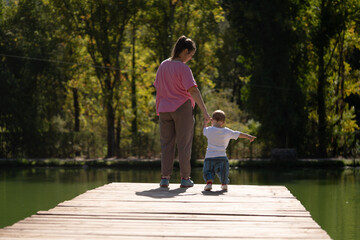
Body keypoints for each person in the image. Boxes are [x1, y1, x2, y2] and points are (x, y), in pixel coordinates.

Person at [154, 35, 211, 188]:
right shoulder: (183, 68)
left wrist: (159, 107)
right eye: (190, 55)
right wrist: (205, 112)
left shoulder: (163, 65)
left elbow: (158, 87)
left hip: (164, 109)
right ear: (185, 51)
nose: (190, 58)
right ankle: (185, 178)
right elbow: (193, 90)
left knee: (166, 144)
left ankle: (165, 178)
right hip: (181, 108)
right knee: (184, 144)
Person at [203, 110, 256, 191]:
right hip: (222, 157)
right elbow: (238, 134)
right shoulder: (226, 131)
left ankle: (209, 184)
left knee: (208, 171)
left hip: (209, 157)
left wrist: (206, 122)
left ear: (212, 120)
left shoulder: (209, 130)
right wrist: (249, 136)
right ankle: (224, 184)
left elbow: (204, 129)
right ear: (223, 122)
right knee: (223, 172)